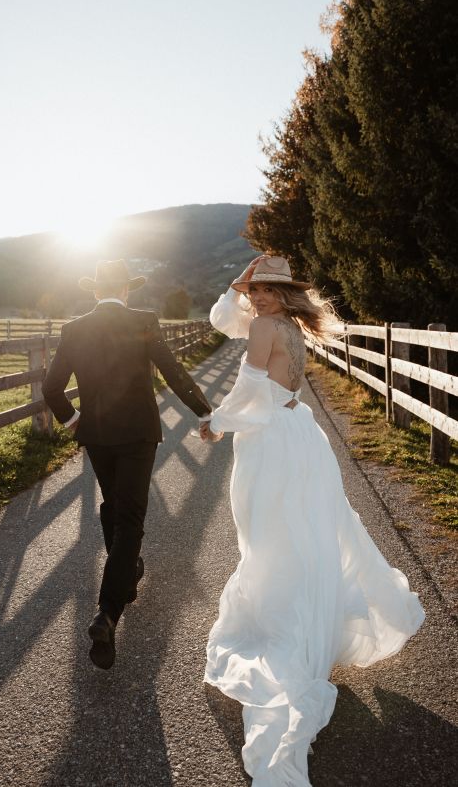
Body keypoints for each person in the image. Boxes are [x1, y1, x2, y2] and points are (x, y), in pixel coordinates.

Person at [199, 254, 425, 787]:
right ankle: (308, 627)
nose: (255, 299)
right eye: (252, 291)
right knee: (306, 537)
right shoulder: (289, 327)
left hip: (271, 444)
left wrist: (217, 422)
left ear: (284, 294)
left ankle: (289, 639)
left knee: (271, 541)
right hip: (301, 436)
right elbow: (223, 322)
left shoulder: (262, 326)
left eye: (265, 291)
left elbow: (252, 391)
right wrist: (241, 283)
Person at [42, 259, 212, 670]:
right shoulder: (144, 320)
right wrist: (204, 412)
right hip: (138, 432)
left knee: (113, 505)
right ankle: (107, 612)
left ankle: (128, 568)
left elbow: (51, 388)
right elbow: (172, 371)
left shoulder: (74, 328)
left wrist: (73, 419)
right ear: (128, 290)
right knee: (130, 516)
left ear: (95, 291)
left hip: (97, 433)